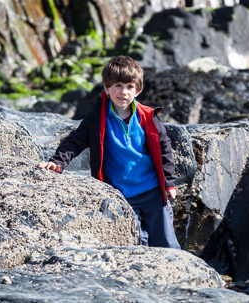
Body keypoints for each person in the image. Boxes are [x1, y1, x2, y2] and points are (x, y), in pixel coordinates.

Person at [38, 56, 180, 249]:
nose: (123, 92)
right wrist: (57, 162)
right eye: (118, 86)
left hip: (152, 192)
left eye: (130, 87)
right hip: (120, 195)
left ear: (138, 90)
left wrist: (169, 183)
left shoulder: (148, 118)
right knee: (135, 244)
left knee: (167, 244)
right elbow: (75, 140)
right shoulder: (97, 118)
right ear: (106, 88)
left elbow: (165, 150)